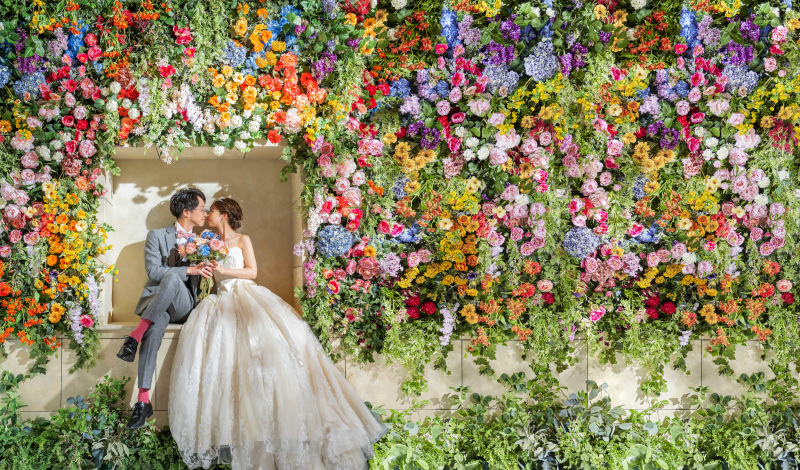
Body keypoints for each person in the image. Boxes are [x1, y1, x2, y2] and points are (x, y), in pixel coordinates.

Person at [168, 198, 388, 470]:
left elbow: (253, 271)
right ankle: (236, 430)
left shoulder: (242, 240)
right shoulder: (207, 241)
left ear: (224, 215)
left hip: (246, 296)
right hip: (220, 300)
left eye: (212, 211)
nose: (208, 215)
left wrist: (224, 269)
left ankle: (283, 427)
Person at [116, 188, 214, 430]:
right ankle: (142, 401)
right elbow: (153, 272)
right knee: (156, 324)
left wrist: (202, 268)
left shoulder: (206, 241)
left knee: (171, 278)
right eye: (202, 209)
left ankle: (134, 336)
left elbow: (203, 281)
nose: (205, 213)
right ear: (186, 211)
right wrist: (188, 269)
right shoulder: (157, 236)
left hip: (185, 306)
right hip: (159, 306)